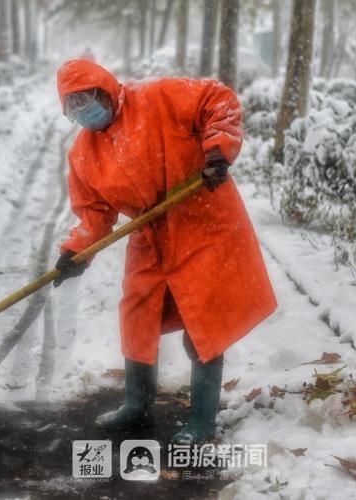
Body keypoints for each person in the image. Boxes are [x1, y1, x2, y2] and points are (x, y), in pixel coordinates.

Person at [54, 59, 277, 444]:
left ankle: (203, 422)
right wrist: (76, 251)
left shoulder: (157, 97)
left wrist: (218, 151)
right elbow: (93, 213)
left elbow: (217, 99)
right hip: (150, 233)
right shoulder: (83, 154)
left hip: (203, 222)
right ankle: (136, 405)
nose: (82, 111)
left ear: (105, 89)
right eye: (72, 106)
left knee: (202, 321)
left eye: (86, 98)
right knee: (138, 314)